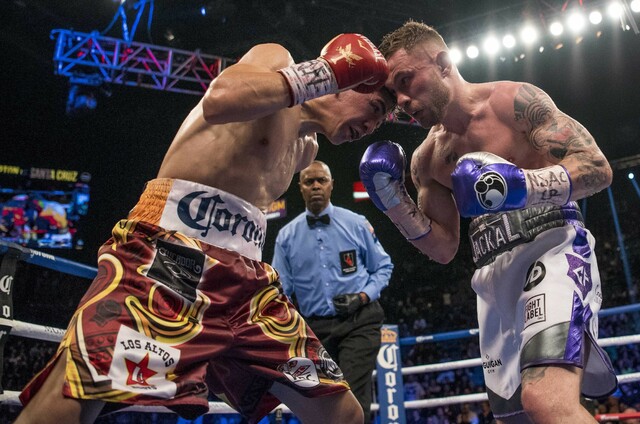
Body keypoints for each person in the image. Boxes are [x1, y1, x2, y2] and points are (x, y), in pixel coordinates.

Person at [16, 32, 396, 424]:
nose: (373, 125)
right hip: (168, 258)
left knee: (343, 414)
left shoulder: (307, 149)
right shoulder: (277, 60)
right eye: (375, 107)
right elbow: (220, 99)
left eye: (382, 119)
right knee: (77, 390)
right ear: (347, 79)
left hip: (247, 284)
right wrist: (326, 72)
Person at [358, 21, 618, 423]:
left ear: (443, 63)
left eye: (407, 81)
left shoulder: (513, 102)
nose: (403, 101)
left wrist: (521, 186)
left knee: (546, 400)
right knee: (518, 418)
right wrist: (395, 205)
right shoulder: (427, 160)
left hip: (552, 254)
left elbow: (597, 168)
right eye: (395, 93)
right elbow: (443, 248)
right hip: (492, 281)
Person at [272, 160, 394, 423]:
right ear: (300, 187)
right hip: (314, 329)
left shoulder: (356, 223)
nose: (316, 186)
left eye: (321, 180)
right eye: (309, 181)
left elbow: (383, 267)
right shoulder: (286, 237)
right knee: (321, 402)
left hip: (359, 322)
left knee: (353, 396)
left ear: (331, 185)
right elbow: (281, 291)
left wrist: (362, 296)